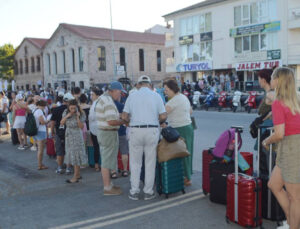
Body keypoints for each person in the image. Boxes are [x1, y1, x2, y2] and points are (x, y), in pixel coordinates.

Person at [263, 67, 300, 229]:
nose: (271, 78)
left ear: (279, 80)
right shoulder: (296, 98)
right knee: (274, 184)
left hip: (292, 148)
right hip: (289, 148)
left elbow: (279, 134)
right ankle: (291, 222)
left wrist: (266, 141)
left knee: (294, 196)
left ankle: (293, 226)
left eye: (273, 76)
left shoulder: (278, 102)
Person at [122, 75, 167, 200]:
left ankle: (134, 191)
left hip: (136, 131)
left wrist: (130, 121)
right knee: (150, 162)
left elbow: (124, 116)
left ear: (139, 84)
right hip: (151, 130)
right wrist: (155, 119)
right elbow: (163, 115)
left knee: (135, 163)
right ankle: (148, 191)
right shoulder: (156, 96)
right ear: (149, 84)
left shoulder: (132, 96)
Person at [95, 82, 127, 195]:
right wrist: (124, 121)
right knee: (107, 161)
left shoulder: (104, 99)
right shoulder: (108, 101)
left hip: (105, 132)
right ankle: (107, 187)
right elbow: (111, 121)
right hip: (108, 133)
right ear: (113, 90)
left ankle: (109, 185)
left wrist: (119, 116)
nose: (120, 95)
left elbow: (110, 117)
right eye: (119, 92)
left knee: (107, 159)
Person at [163, 79, 194, 186]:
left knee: (182, 152)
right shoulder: (183, 97)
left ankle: (187, 178)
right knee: (188, 151)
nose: (165, 92)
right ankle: (188, 174)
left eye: (166, 90)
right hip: (188, 127)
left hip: (180, 128)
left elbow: (163, 114)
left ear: (172, 89)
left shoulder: (173, 101)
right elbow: (190, 111)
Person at [60, 99, 87, 183]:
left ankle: (75, 177)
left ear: (77, 107)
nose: (72, 110)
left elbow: (81, 127)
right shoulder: (65, 112)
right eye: (71, 108)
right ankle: (77, 174)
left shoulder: (81, 113)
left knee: (76, 155)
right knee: (72, 154)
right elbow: (61, 122)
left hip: (77, 135)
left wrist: (78, 117)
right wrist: (68, 115)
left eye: (74, 108)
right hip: (69, 135)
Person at [50, 93, 74, 174]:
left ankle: (60, 168)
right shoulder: (71, 110)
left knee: (59, 151)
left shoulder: (56, 109)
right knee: (68, 150)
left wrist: (52, 132)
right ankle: (68, 168)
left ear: (63, 100)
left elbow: (52, 122)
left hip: (59, 132)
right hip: (69, 132)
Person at [88, 87, 103, 172]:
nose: (91, 96)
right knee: (97, 147)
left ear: (97, 95)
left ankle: (98, 164)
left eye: (92, 94)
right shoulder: (94, 103)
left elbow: (93, 117)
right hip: (94, 128)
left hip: (98, 128)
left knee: (98, 147)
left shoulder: (97, 103)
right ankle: (97, 164)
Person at [33, 100, 49, 170]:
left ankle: (40, 164)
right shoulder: (39, 111)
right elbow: (42, 122)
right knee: (41, 149)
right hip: (40, 131)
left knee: (39, 149)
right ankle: (40, 165)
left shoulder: (34, 110)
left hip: (36, 131)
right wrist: (47, 120)